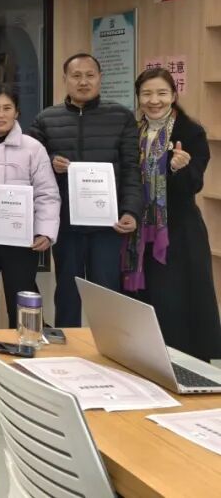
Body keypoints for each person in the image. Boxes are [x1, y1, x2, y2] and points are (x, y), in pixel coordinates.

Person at [29, 54, 142, 327]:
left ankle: (110, 347)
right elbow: (31, 165)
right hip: (66, 221)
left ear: (100, 78)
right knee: (67, 291)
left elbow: (131, 168)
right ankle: (67, 347)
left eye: (90, 75)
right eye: (76, 76)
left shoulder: (121, 117)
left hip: (108, 223)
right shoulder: (46, 119)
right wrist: (51, 162)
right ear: (65, 79)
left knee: (106, 291)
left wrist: (131, 210)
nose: (83, 82)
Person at [121, 68, 221, 361]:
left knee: (175, 300)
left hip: (177, 232)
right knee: (145, 300)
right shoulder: (132, 131)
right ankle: (145, 361)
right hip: (137, 231)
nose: (154, 100)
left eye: (162, 93)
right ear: (138, 97)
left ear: (174, 95)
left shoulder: (190, 132)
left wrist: (179, 168)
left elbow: (194, 184)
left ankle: (182, 365)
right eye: (147, 94)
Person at [0, 84, 60, 330]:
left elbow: (47, 193)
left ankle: (24, 352)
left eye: (7, 108)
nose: (0, 114)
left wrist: (45, 231)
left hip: (20, 240)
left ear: (17, 112)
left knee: (21, 303)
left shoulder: (33, 148)